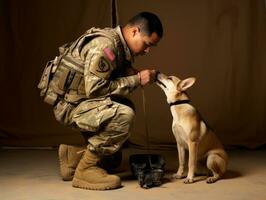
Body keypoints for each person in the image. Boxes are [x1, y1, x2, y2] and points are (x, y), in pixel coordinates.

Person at [41, 11, 163, 190]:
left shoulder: (117, 45)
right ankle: (85, 170)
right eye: (147, 44)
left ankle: (72, 157)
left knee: (112, 159)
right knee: (124, 115)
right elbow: (96, 89)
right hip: (70, 107)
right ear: (135, 31)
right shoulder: (106, 45)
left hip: (78, 101)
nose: (147, 50)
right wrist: (137, 80)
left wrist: (131, 73)